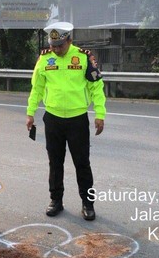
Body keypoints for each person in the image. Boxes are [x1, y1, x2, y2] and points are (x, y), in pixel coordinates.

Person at [26, 21, 106, 221]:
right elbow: (36, 88)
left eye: (59, 45)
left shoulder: (84, 57)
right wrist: (30, 113)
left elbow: (97, 87)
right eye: (53, 45)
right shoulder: (44, 59)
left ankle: (88, 204)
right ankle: (56, 200)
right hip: (53, 118)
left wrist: (100, 114)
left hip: (77, 120)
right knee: (55, 163)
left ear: (69, 40)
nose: (55, 49)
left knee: (82, 164)